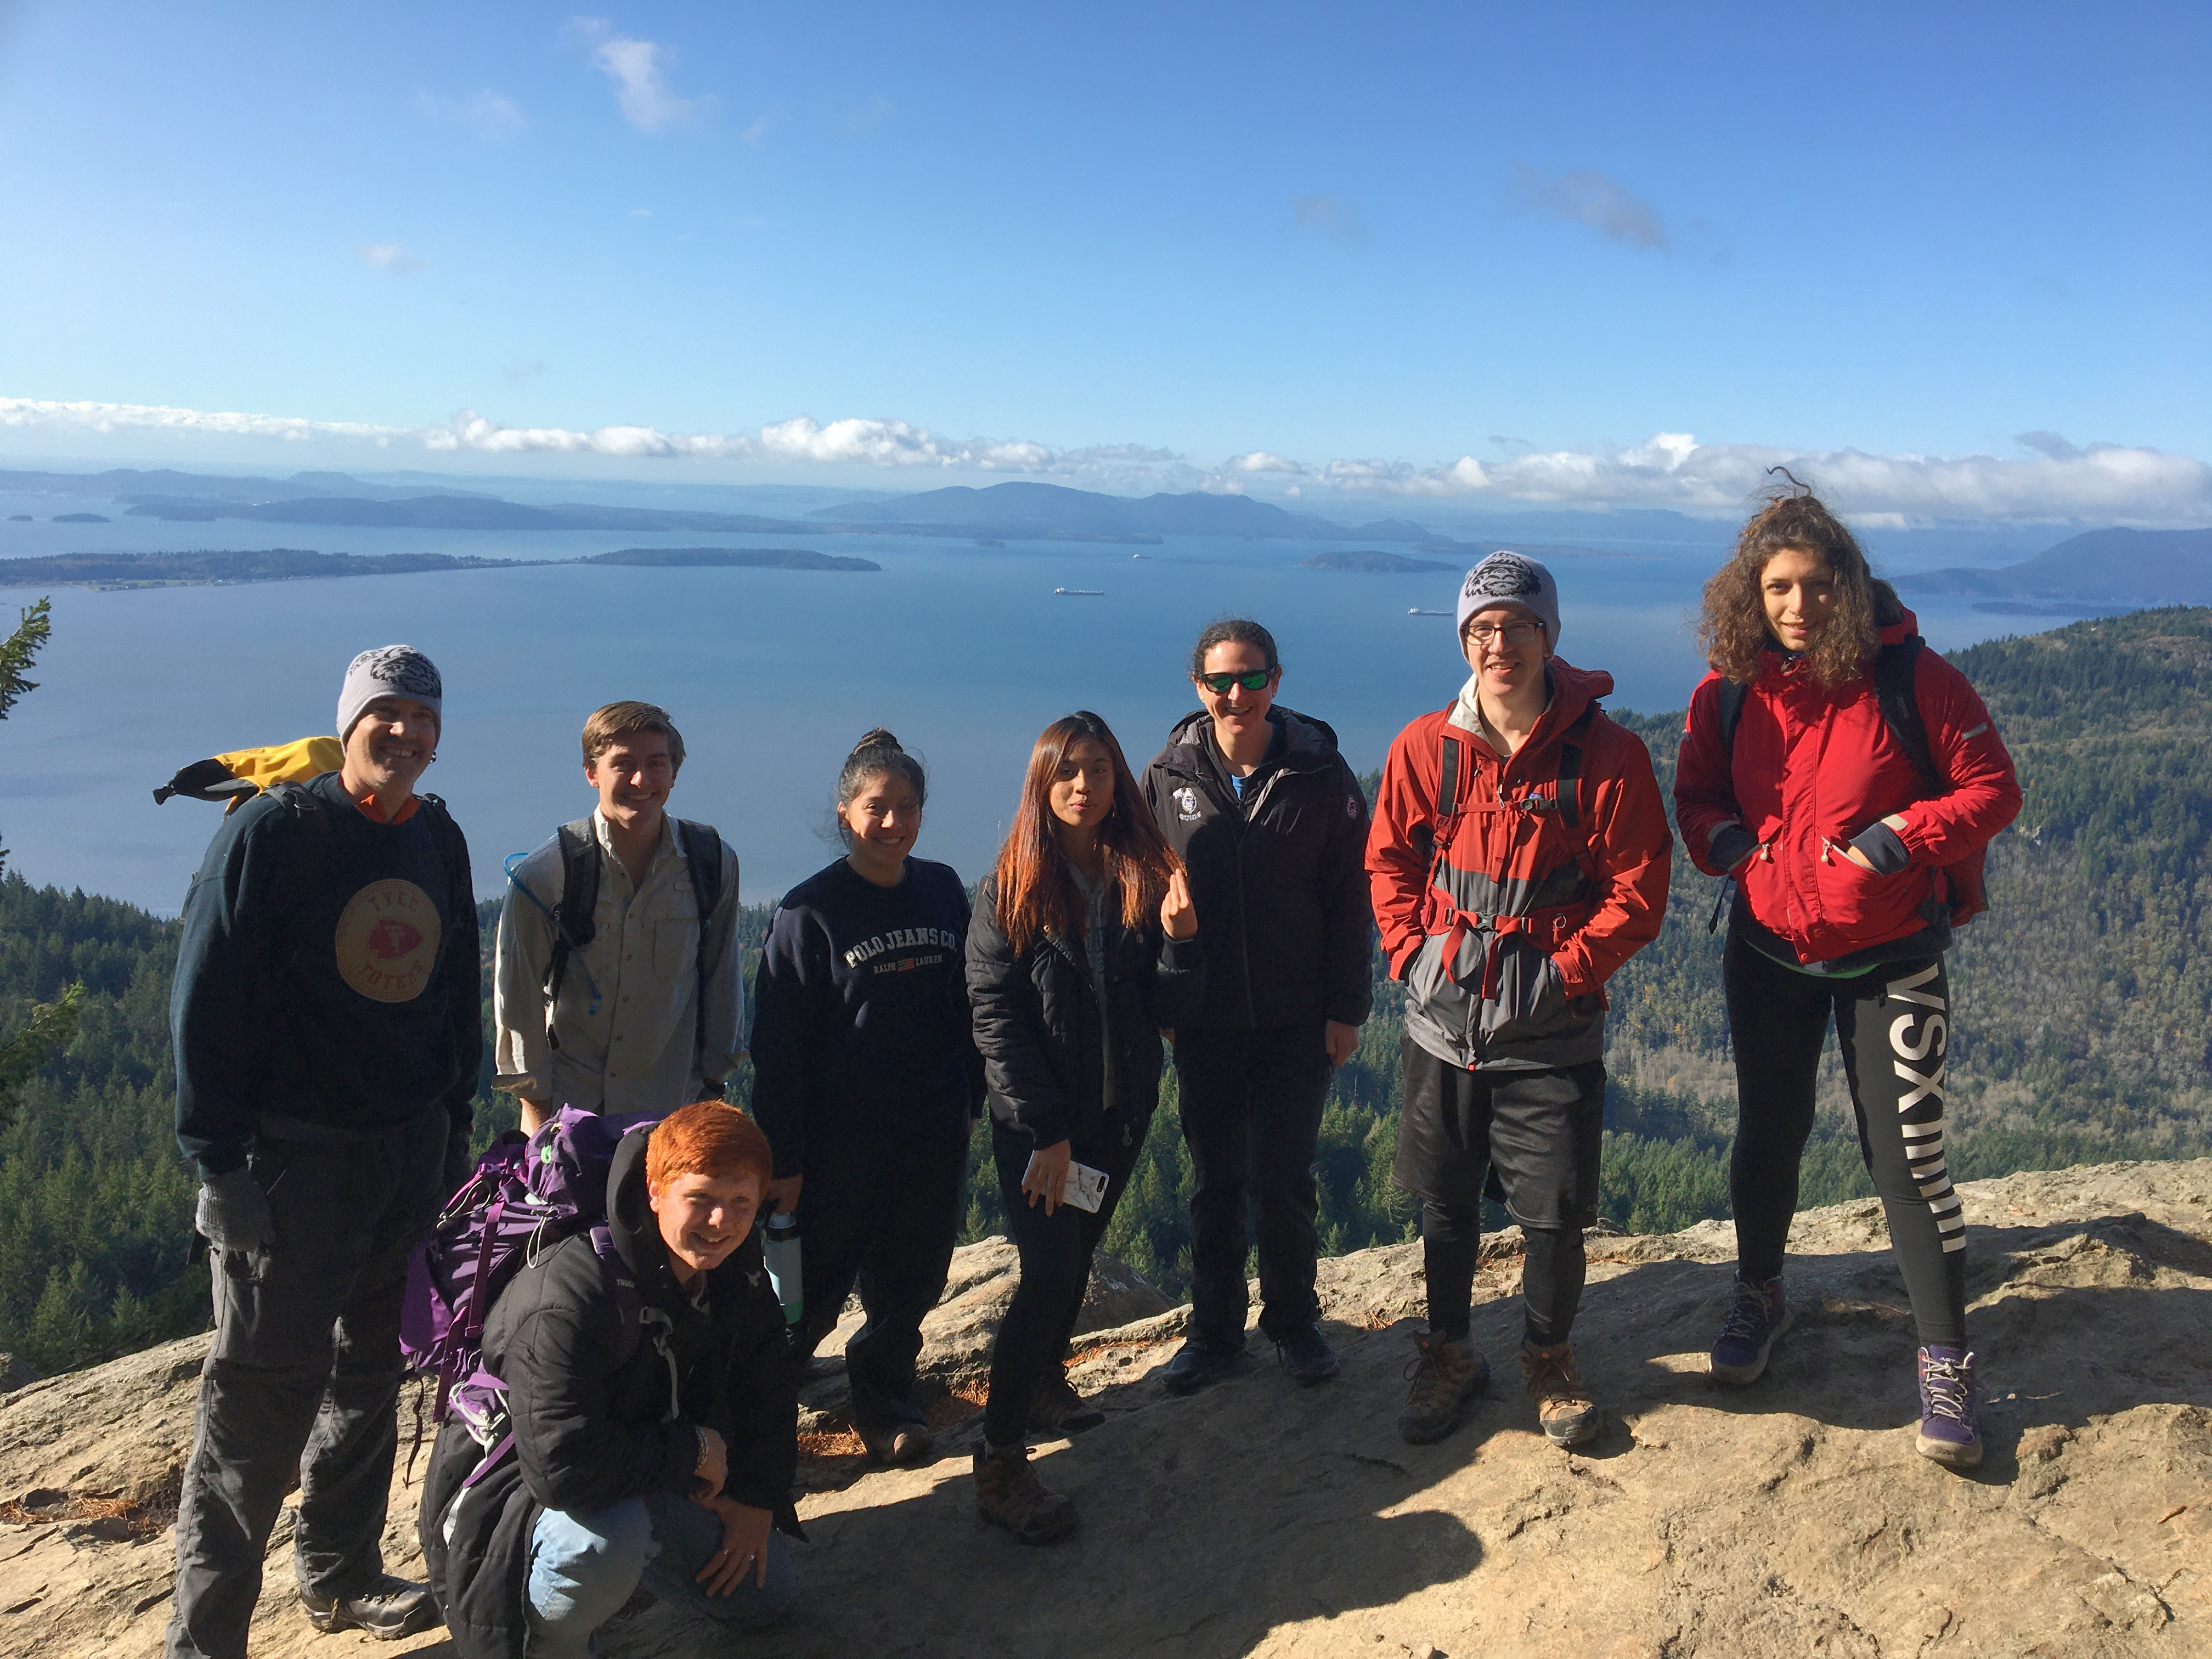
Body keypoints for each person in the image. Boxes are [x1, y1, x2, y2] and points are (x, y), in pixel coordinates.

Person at [1674, 478, 2021, 1469]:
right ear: (1752, 592)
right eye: (1776, 586)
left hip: (1891, 955)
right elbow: (1694, 799)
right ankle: (1759, 1290)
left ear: (1849, 584)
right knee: (1768, 1129)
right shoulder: (1728, 690)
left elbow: (1993, 788)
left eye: (1816, 583)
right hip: (1768, 949)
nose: (1796, 605)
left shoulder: (1917, 680)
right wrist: (1740, 853)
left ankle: (1946, 1360)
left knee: (1906, 1158)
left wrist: (1899, 835)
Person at [167, 645, 480, 1656]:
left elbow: (452, 988)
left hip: (405, 1152)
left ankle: (339, 1574)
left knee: (369, 1377)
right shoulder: (275, 830)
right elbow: (204, 1002)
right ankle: (205, 1636)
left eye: (422, 717)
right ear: (347, 724)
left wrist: (452, 1134)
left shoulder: (437, 833)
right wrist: (218, 1165)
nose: (404, 732)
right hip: (292, 1165)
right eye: (384, 714)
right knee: (256, 1404)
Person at [1368, 554, 1671, 1449]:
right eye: (1481, 627)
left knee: (1553, 1212)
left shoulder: (1605, 756)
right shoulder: (1427, 745)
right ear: (1464, 639)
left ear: (1548, 635)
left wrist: (1566, 973)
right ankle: (1449, 1352)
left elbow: (1637, 891)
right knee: (1445, 1202)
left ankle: (1547, 1358)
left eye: (1516, 624)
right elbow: (1390, 858)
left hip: (1550, 1031)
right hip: (1442, 1021)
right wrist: (1407, 954)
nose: (1498, 642)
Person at [419, 1101, 800, 1659]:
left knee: (768, 1598)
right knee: (606, 1544)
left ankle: (626, 1570)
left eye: (740, 1202)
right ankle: (553, 1647)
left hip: (642, 1461)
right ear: (655, 1191)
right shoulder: (572, 1292)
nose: (721, 1222)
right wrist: (694, 1450)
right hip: (520, 1496)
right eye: (701, 1199)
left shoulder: (732, 1272)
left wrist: (758, 1497)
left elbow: (767, 1380)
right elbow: (561, 1469)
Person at [964, 710, 1203, 1542]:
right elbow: (995, 1021)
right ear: (1042, 785)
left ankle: (1041, 1386)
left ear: (1117, 783)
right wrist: (1044, 1134)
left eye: (1099, 770)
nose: (1083, 785)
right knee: (1047, 1278)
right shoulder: (1009, 890)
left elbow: (1169, 1010)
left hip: (1119, 1115)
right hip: (1042, 1129)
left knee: (1073, 1267)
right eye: (1067, 772)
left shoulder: (1139, 873)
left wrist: (1178, 942)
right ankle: (998, 1457)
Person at [1140, 618, 1373, 1392]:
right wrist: (1164, 993)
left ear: (1277, 680)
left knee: (1282, 1180)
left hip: (1296, 1019)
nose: (1235, 695)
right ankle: (1214, 1335)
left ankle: (1295, 1325)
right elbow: (1143, 898)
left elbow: (1350, 900)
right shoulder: (1165, 778)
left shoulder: (1322, 775)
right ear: (1196, 686)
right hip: (1204, 1020)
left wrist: (1347, 1011)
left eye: (1250, 678)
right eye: (1219, 681)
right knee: (1214, 1183)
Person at [749, 729, 984, 1468]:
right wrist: (783, 1158)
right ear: (845, 812)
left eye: (907, 807)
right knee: (804, 1300)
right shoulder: (808, 913)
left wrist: (973, 1099)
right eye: (876, 808)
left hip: (931, 1132)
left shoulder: (943, 887)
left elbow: (974, 1003)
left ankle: (886, 1407)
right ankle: (757, 1432)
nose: (894, 823)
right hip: (835, 1145)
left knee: (911, 1283)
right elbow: (779, 1051)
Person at [494, 701, 744, 1133]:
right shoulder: (545, 876)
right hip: (573, 1119)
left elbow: (723, 979)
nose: (641, 780)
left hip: (672, 1114)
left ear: (674, 774)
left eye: (656, 764)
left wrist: (713, 1094)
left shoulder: (712, 864)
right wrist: (539, 1131)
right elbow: (517, 1005)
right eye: (622, 765)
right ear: (592, 772)